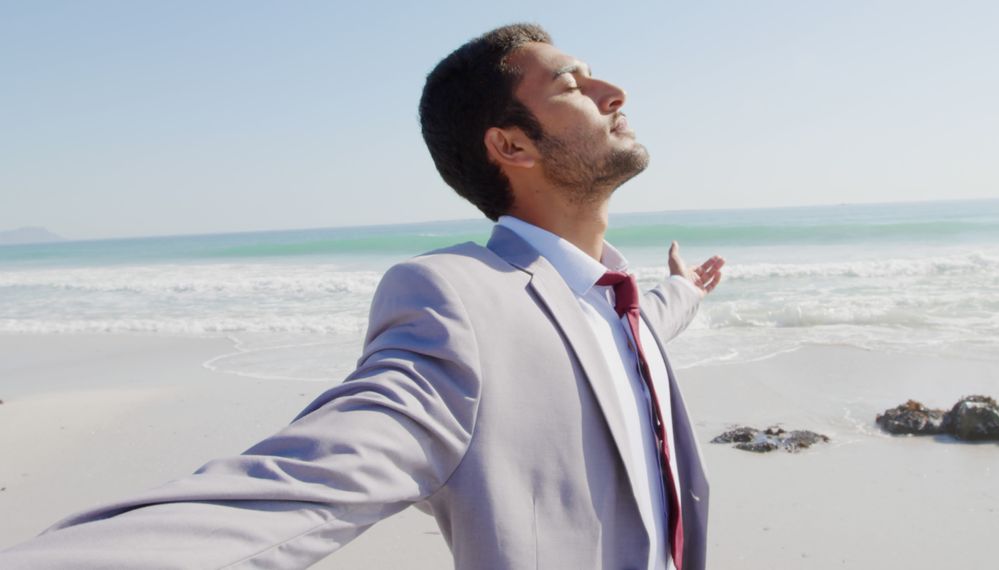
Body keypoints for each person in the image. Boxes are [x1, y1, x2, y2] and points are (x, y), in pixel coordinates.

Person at [0, 23, 724, 569]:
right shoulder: (459, 301)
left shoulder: (619, 300)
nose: (613, 92)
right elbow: (310, 479)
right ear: (512, 147)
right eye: (571, 85)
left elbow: (635, 328)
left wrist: (681, 290)